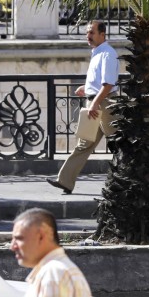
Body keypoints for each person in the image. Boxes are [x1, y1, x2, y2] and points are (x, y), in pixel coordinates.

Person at [48, 20, 118, 195]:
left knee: (119, 144)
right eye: (87, 32)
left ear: (103, 34)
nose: (88, 36)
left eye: (92, 32)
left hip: (105, 105)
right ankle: (64, 181)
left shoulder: (107, 54)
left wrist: (95, 102)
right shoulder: (97, 52)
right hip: (95, 103)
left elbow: (108, 84)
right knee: (84, 143)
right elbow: (98, 82)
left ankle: (125, 181)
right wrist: (86, 89)